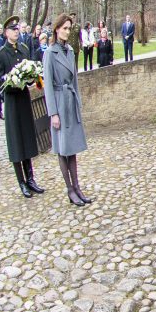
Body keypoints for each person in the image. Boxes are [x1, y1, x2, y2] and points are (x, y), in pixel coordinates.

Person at [43, 13, 92, 207]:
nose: (67, 31)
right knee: (63, 149)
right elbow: (47, 85)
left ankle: (77, 186)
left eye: (69, 28)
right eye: (64, 28)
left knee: (72, 149)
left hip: (70, 101)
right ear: (56, 29)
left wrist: (78, 101)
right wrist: (53, 113)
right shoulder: (50, 52)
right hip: (59, 102)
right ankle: (70, 189)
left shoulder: (70, 50)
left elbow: (74, 80)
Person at [0, 15, 44, 198]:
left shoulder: (23, 49)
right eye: (13, 30)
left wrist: (31, 78)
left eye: (17, 29)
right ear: (6, 32)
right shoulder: (1, 54)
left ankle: (31, 178)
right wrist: (11, 82)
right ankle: (21, 182)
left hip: (23, 100)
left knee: (27, 138)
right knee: (16, 141)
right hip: (13, 103)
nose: (16, 32)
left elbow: (30, 70)